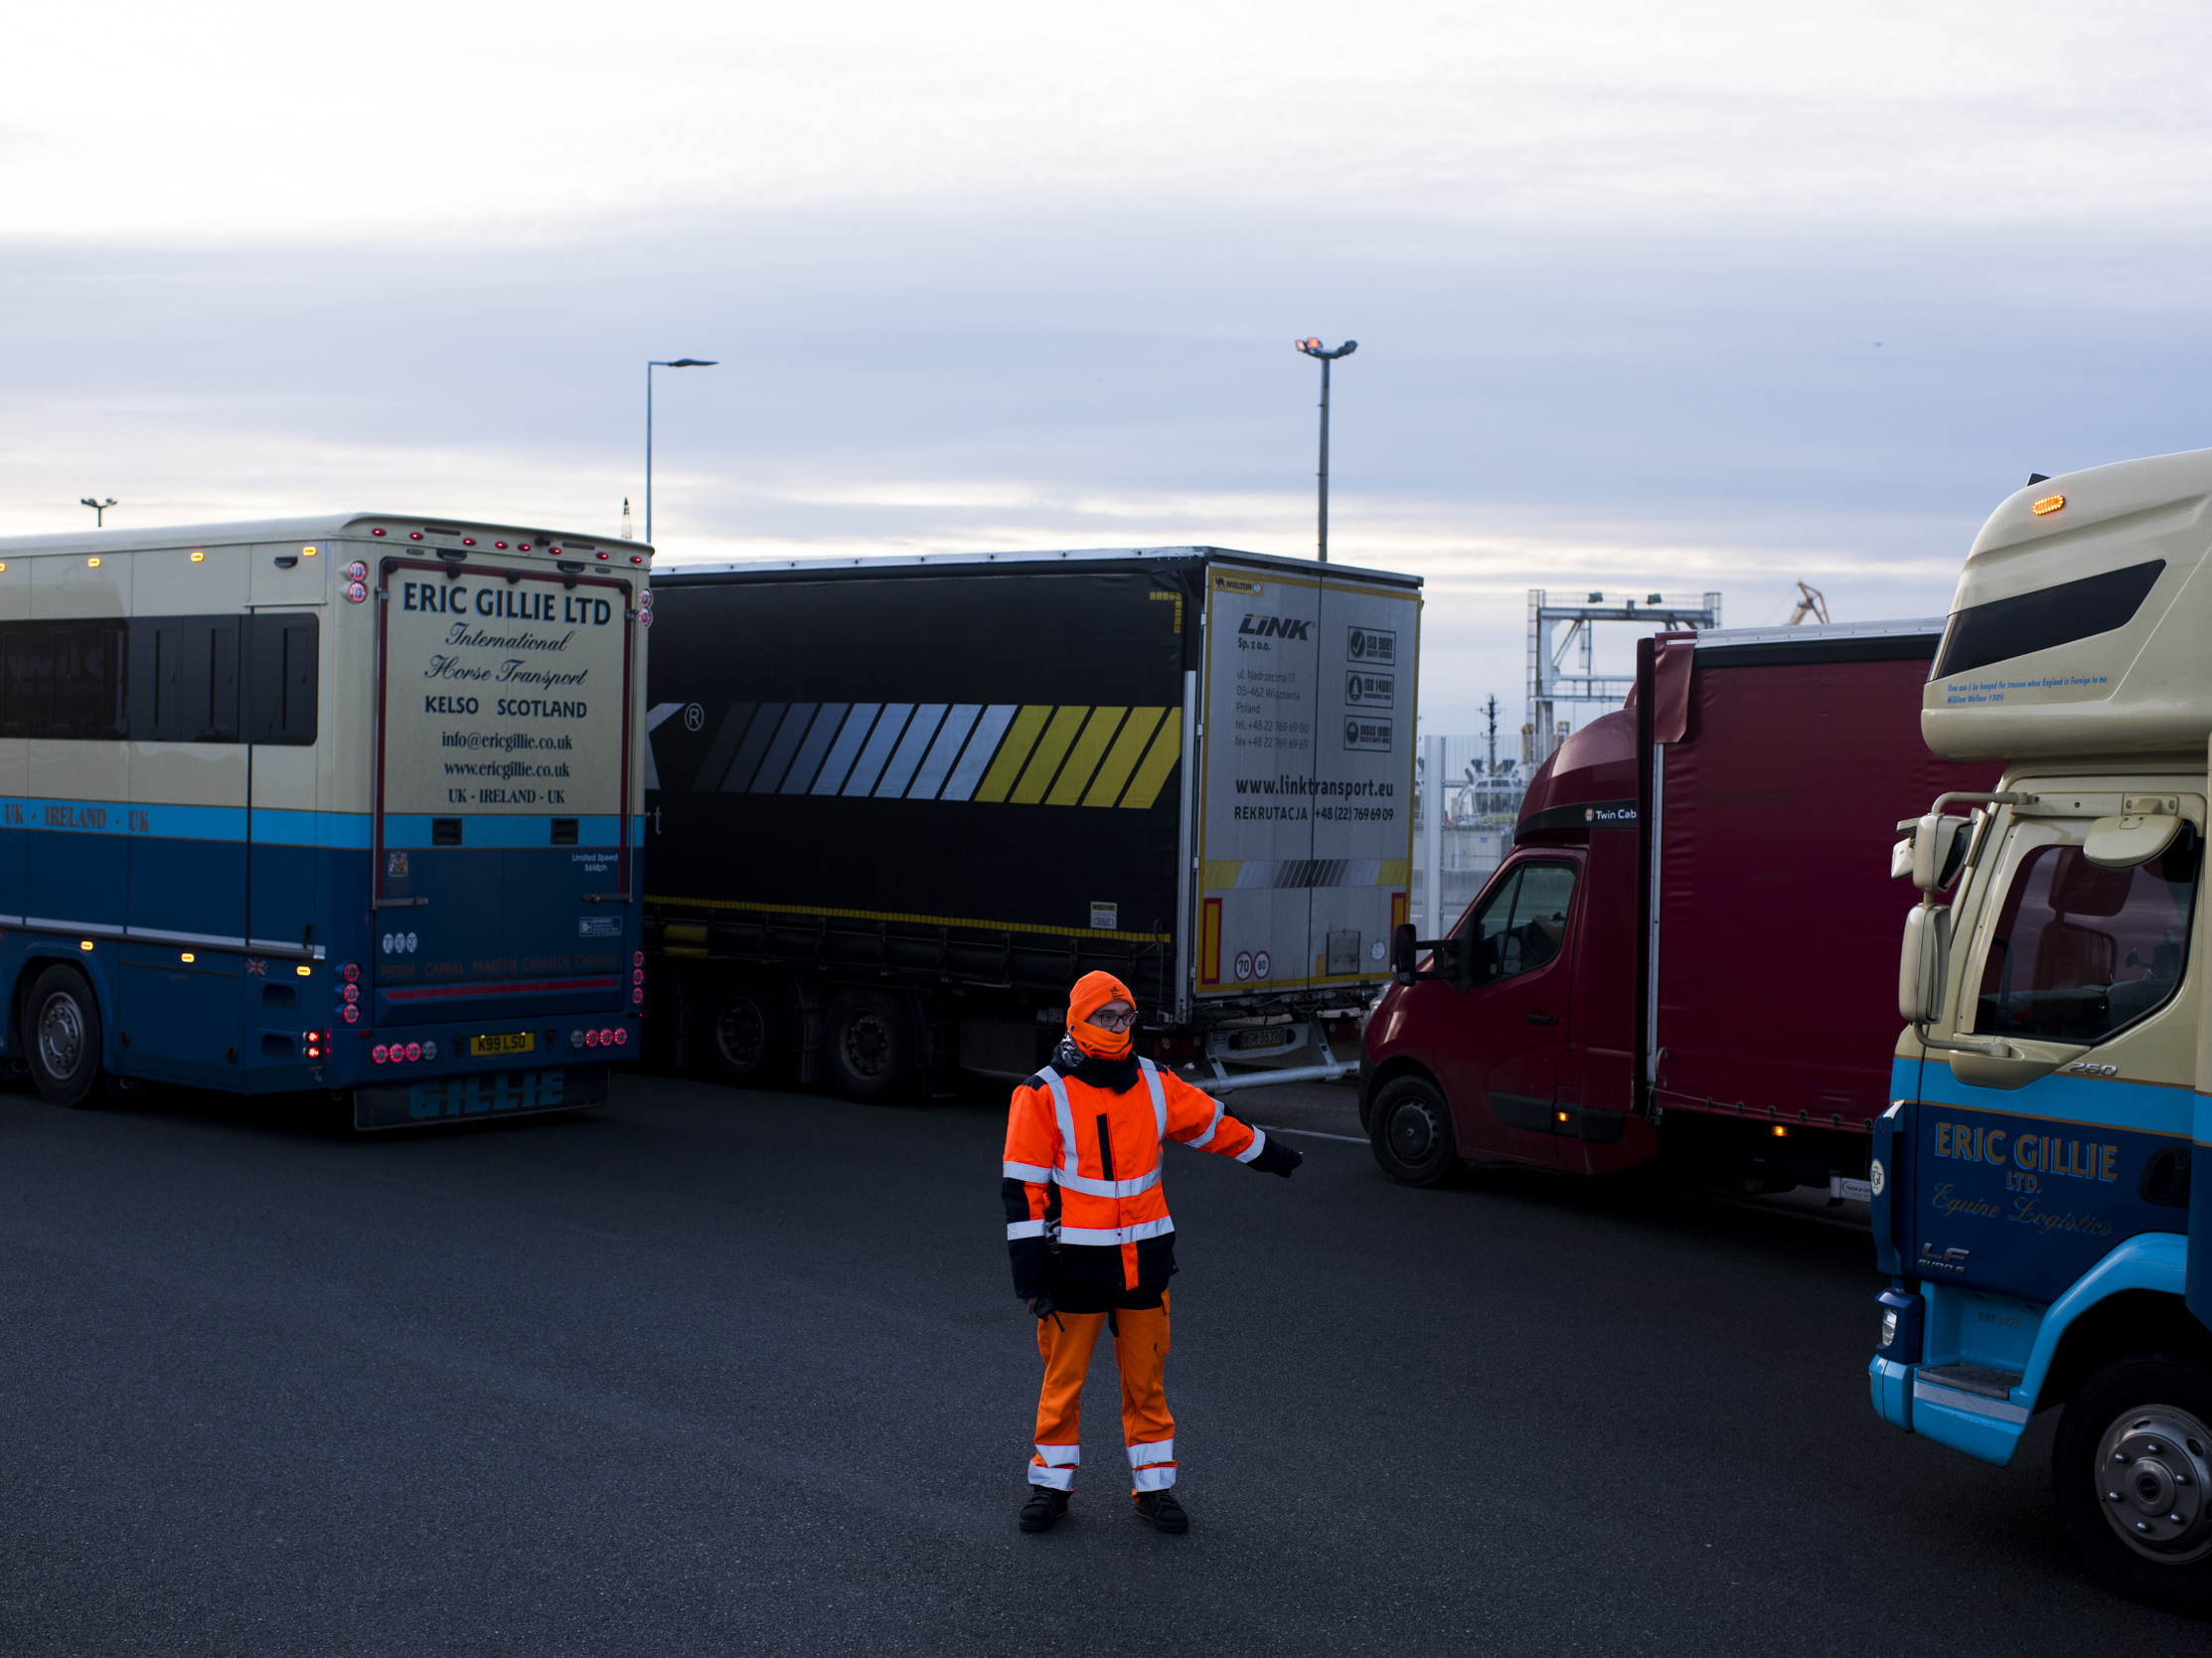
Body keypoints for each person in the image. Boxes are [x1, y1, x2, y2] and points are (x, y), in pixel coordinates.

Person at [1002, 970, 1302, 1534]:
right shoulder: (1041, 1093)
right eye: (1105, 1017)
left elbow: (1214, 1124)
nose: (1118, 1027)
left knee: (1146, 1384)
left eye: (1124, 1017)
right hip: (1074, 1268)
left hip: (1145, 1263)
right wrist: (1031, 1281)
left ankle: (1155, 1490)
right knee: (1063, 1383)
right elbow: (1023, 1193)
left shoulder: (1153, 1081)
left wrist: (1270, 1154)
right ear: (1078, 1021)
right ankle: (1049, 1488)